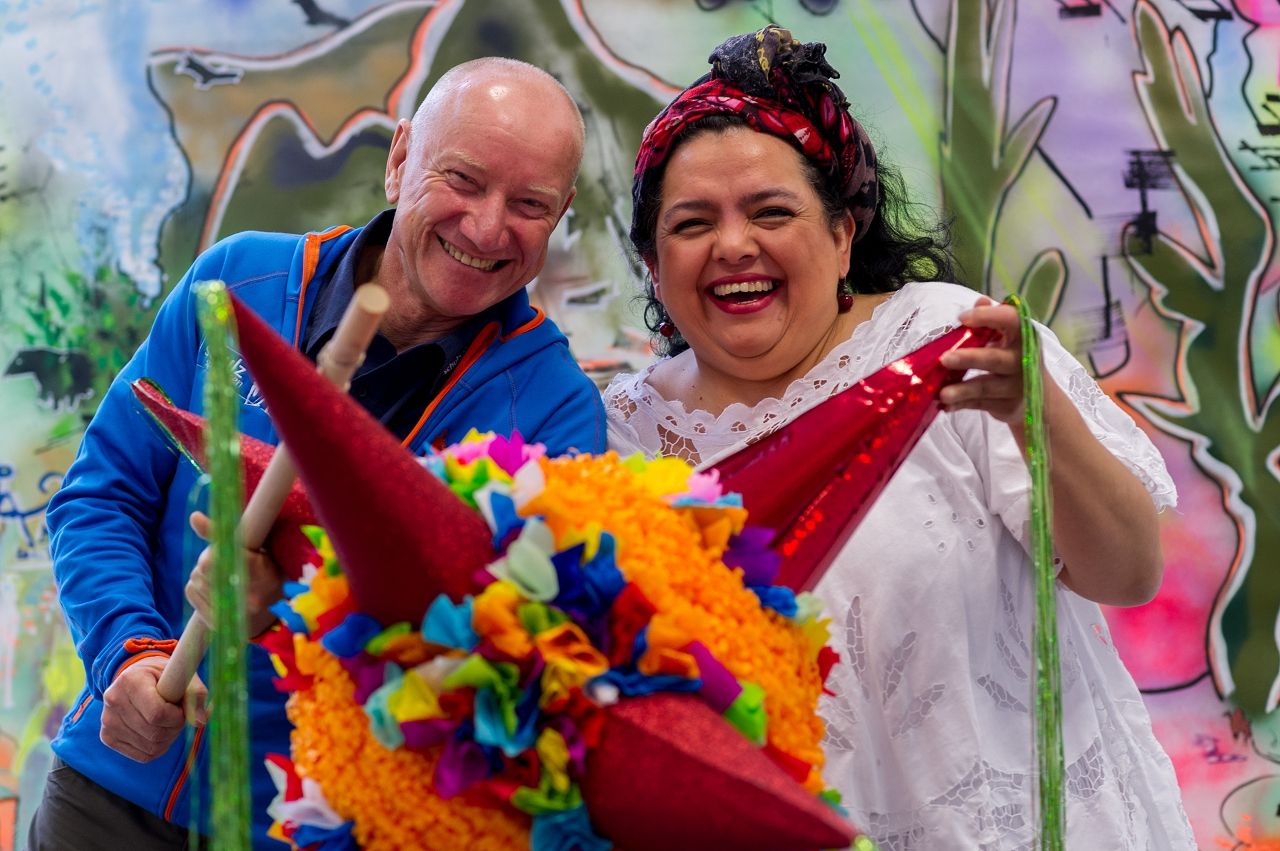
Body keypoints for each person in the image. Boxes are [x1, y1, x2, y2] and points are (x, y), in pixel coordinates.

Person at [605, 26, 1196, 849]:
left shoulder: (952, 344)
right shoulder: (622, 436)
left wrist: (1042, 420)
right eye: (692, 223)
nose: (733, 245)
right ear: (651, 263)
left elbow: (1129, 572)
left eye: (771, 211)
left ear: (845, 233)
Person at [29, 57, 606, 850]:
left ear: (562, 213)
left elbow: (505, 670)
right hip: (111, 786)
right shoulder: (237, 279)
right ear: (401, 159)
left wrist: (304, 609)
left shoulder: (555, 411)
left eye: (530, 204)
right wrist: (129, 652)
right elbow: (101, 495)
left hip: (311, 829)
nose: (485, 226)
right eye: (464, 179)